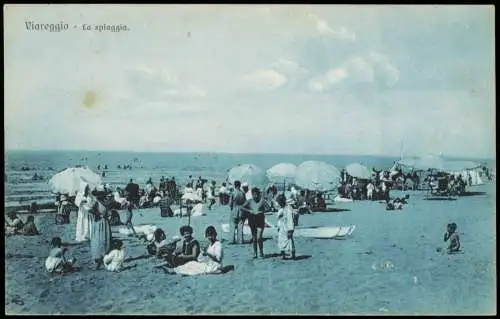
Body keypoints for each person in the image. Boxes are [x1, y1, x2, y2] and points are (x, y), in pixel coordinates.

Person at [242, 187, 266, 258]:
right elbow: (242, 207)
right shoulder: (249, 201)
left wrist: (261, 212)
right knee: (254, 238)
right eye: (253, 194)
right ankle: (255, 253)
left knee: (259, 237)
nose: (255, 196)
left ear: (259, 194)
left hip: (260, 220)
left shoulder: (262, 201)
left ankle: (261, 252)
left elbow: (269, 208)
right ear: (252, 194)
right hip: (252, 220)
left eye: (256, 194)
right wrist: (249, 211)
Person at [89, 198, 112, 269]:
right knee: (98, 240)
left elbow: (109, 213)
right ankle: (98, 259)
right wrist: (97, 214)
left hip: (104, 223)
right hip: (99, 223)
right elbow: (90, 210)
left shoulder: (104, 202)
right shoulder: (96, 202)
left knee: (104, 240)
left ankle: (103, 258)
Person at [276, 194, 296, 260]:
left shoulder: (289, 209)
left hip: (287, 227)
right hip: (281, 227)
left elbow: (290, 220)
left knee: (289, 240)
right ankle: (283, 255)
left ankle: (292, 255)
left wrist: (290, 230)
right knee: (281, 240)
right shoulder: (282, 208)